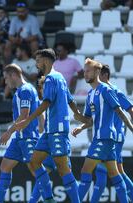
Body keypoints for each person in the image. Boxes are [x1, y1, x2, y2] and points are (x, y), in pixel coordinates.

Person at [12, 48, 86, 203]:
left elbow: (46, 102)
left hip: (58, 130)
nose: (36, 64)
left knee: (63, 168)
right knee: (34, 161)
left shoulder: (51, 78)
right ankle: (48, 199)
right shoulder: (59, 77)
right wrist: (77, 113)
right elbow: (70, 98)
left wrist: (28, 120)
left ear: (46, 60)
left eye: (38, 60)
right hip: (49, 131)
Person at [72, 60, 133, 203]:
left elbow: (120, 111)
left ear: (97, 72)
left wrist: (131, 128)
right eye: (85, 71)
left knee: (86, 171)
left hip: (104, 138)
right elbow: (89, 120)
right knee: (115, 174)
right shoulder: (90, 94)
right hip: (100, 139)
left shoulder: (106, 90)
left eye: (88, 71)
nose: (85, 74)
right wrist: (80, 124)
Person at [0, 63, 41, 203]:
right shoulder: (26, 89)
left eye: (6, 78)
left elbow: (24, 115)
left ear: (14, 75)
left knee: (37, 172)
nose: (6, 82)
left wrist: (8, 132)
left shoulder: (24, 90)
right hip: (19, 138)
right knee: (5, 167)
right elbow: (39, 112)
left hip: (27, 137)